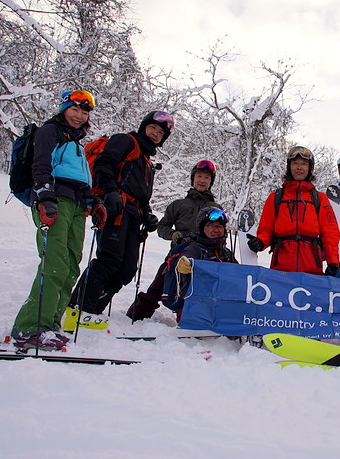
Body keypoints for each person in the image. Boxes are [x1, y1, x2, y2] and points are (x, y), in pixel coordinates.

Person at [11, 90, 107, 350]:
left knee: (70, 266)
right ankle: (29, 327)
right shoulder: (50, 131)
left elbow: (80, 181)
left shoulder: (76, 144)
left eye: (84, 112)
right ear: (64, 108)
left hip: (75, 206)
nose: (79, 116)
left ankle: (50, 323)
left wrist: (93, 202)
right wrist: (44, 196)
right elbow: (40, 165)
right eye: (74, 109)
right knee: (53, 262)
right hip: (55, 201)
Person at [63, 111, 173, 331]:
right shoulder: (126, 141)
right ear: (144, 126)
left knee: (127, 268)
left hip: (132, 216)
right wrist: (110, 191)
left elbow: (142, 195)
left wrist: (148, 215)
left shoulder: (146, 161)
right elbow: (104, 163)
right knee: (109, 259)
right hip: (114, 209)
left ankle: (93, 310)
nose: (155, 134)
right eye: (152, 128)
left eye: (160, 133)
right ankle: (77, 309)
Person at [126, 160, 221, 321]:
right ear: (193, 179)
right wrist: (174, 234)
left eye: (206, 177)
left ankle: (189, 317)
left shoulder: (215, 208)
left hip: (204, 257)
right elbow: (162, 226)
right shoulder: (178, 205)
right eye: (199, 176)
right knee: (161, 283)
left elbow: (220, 231)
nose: (202, 180)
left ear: (211, 182)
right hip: (178, 252)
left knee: (195, 287)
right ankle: (137, 314)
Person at [247, 145, 340, 276]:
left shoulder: (319, 198)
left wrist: (333, 262)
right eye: (295, 163)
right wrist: (261, 241)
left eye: (303, 164)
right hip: (281, 267)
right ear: (289, 167)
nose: (299, 168)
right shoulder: (275, 197)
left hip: (312, 266)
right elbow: (266, 229)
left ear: (310, 168)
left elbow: (330, 233)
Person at [160, 207, 237, 321]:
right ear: (202, 228)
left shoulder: (226, 253)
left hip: (222, 307)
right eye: (211, 225)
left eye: (219, 226)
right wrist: (185, 267)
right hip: (193, 308)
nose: (216, 230)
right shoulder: (194, 249)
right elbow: (184, 263)